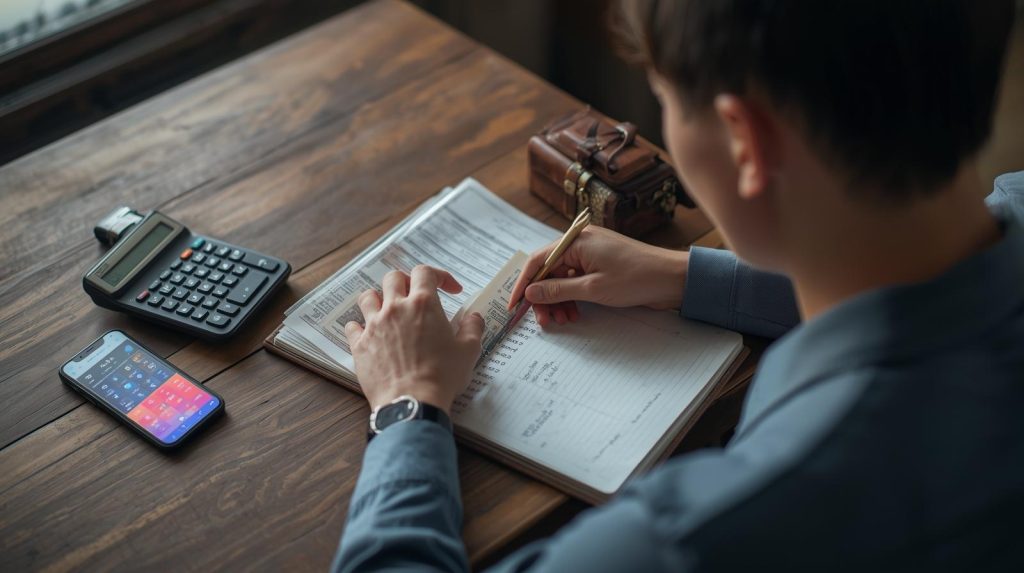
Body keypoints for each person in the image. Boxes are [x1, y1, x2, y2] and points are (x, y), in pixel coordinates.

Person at [333, 0, 1023, 570]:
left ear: (743, 143)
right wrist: (686, 275)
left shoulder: (694, 537)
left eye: (661, 102)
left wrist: (407, 405)